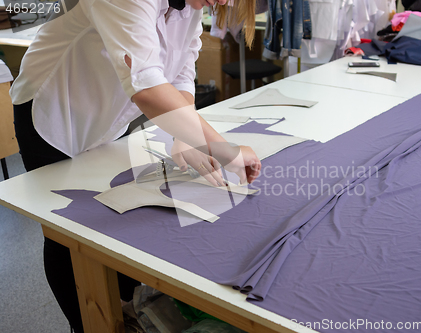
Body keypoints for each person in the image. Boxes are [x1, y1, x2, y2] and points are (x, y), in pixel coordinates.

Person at [10, 0, 261, 331]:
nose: (224, 3)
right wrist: (225, 150)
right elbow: (147, 86)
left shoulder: (193, 7)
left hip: (105, 114)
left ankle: (125, 307)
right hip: (51, 110)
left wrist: (183, 137)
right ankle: (85, 321)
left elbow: (183, 72)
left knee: (114, 211)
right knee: (65, 227)